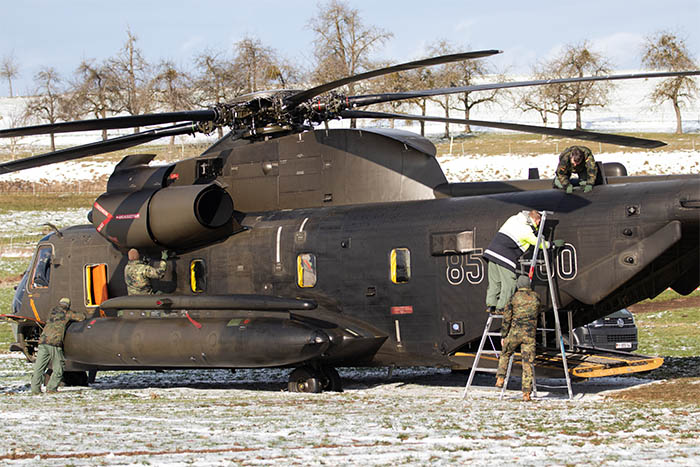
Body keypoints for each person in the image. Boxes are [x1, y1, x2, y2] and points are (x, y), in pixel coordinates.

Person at [483, 210, 552, 314]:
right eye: (538, 222)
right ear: (535, 220)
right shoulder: (526, 229)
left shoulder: (514, 219)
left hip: (491, 253)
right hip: (504, 256)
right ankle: (502, 307)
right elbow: (537, 243)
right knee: (509, 283)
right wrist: (551, 245)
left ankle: (491, 305)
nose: (538, 225)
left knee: (495, 282)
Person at [495, 275, 541, 401]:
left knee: (505, 353)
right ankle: (526, 393)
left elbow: (507, 318)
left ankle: (500, 377)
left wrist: (503, 334)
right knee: (528, 363)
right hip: (529, 335)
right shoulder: (536, 297)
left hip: (515, 333)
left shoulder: (513, 298)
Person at [30, 297, 88, 395]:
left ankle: (35, 389)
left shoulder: (52, 312)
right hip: (54, 343)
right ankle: (51, 388)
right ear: (68, 305)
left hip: (43, 341)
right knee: (59, 367)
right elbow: (82, 317)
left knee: (39, 367)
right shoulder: (67, 313)